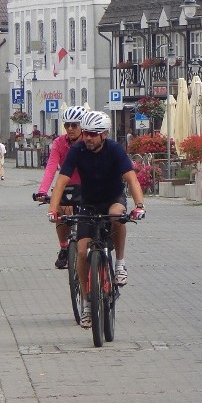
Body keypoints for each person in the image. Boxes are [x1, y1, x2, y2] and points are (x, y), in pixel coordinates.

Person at [48, 110, 145, 329]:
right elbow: (62, 181)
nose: (88, 138)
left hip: (112, 198)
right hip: (89, 203)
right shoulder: (77, 150)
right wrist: (54, 210)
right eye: (86, 133)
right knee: (82, 251)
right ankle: (87, 304)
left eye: (94, 134)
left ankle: (119, 264)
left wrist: (139, 206)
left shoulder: (114, 150)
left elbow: (131, 179)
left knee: (117, 215)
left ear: (104, 134)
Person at [34, 105, 86, 269]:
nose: (70, 129)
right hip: (67, 184)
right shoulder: (59, 142)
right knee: (60, 213)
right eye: (67, 125)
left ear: (82, 126)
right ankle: (64, 247)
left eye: (74, 125)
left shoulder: (89, 141)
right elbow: (51, 167)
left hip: (87, 185)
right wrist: (42, 191)